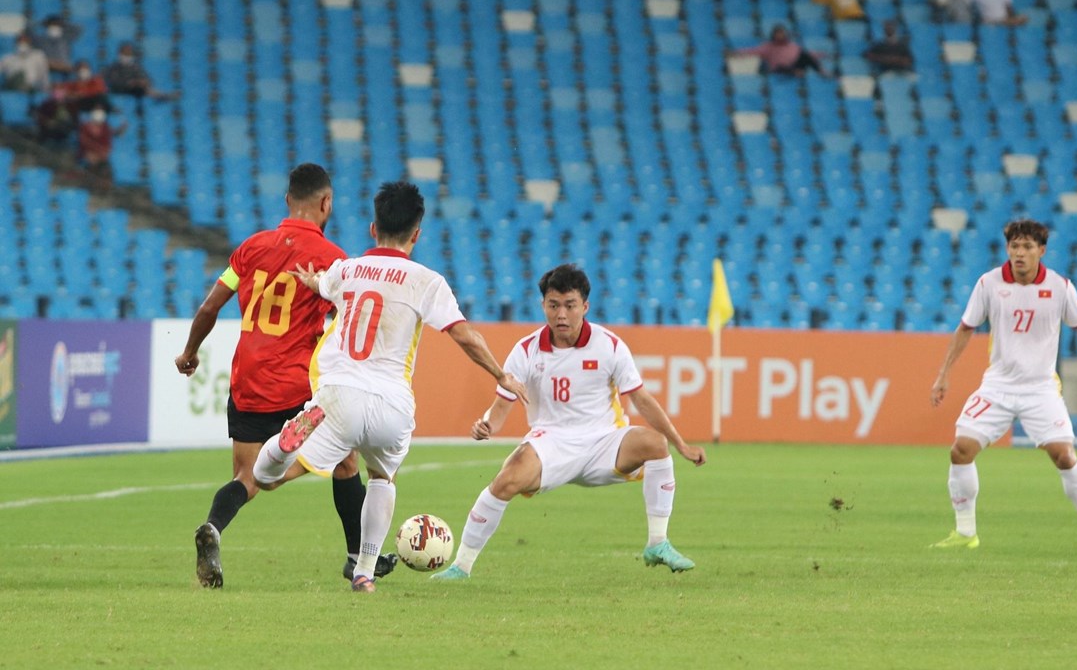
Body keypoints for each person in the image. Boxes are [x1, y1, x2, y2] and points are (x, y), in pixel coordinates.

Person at [252, 180, 528, 593]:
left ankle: (282, 447)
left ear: (372, 228)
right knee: (383, 476)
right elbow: (465, 335)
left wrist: (313, 283)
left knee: (267, 477)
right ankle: (364, 571)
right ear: (416, 234)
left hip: (339, 396)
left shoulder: (346, 270)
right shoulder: (426, 280)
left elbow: (323, 284)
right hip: (393, 405)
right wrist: (500, 374)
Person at [176, 163, 398, 588]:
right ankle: (357, 559)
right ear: (326, 202)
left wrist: (189, 352)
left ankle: (213, 528)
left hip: (247, 380)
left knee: (246, 478)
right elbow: (355, 321)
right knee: (345, 460)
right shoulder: (332, 260)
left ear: (287, 201)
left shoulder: (250, 248)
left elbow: (209, 307)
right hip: (298, 385)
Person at [430, 263, 708, 581]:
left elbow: (642, 399)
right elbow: (501, 408)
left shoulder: (609, 345)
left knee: (655, 444)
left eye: (569, 305)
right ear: (543, 306)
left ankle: (657, 543)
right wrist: (486, 425)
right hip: (551, 442)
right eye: (553, 305)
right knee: (505, 481)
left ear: (585, 306)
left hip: (605, 441)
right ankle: (461, 566)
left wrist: (681, 445)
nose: (561, 314)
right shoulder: (526, 351)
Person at [929, 219, 1077, 553]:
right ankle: (965, 533)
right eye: (1014, 246)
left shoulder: (1060, 287)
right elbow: (965, 329)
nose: (1019, 253)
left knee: (1064, 456)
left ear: (1041, 251)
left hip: (1040, 388)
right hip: (997, 386)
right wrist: (943, 374)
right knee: (960, 450)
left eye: (1027, 247)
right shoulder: (989, 283)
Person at [725, 24, 830, 77]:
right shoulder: (768, 47)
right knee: (781, 67)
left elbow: (806, 54)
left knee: (805, 56)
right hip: (779, 69)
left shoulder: (792, 45)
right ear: (773, 35)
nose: (780, 36)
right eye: (778, 34)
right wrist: (735, 52)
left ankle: (821, 71)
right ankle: (796, 72)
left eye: (782, 33)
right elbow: (752, 51)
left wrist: (822, 55)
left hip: (793, 65)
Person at [102, 42, 178, 101]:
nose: (127, 56)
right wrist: (128, 83)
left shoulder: (136, 67)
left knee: (145, 89)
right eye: (125, 53)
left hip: (135, 90)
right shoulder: (113, 67)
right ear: (119, 53)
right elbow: (111, 81)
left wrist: (143, 82)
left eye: (129, 53)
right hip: (118, 90)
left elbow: (147, 79)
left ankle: (162, 96)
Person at [76, 105, 126, 192]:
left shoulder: (105, 128)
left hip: (101, 158)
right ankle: (89, 187)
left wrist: (101, 154)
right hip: (86, 157)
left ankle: (105, 188)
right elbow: (83, 142)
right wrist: (90, 154)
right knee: (91, 164)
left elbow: (108, 146)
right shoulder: (84, 127)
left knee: (106, 169)